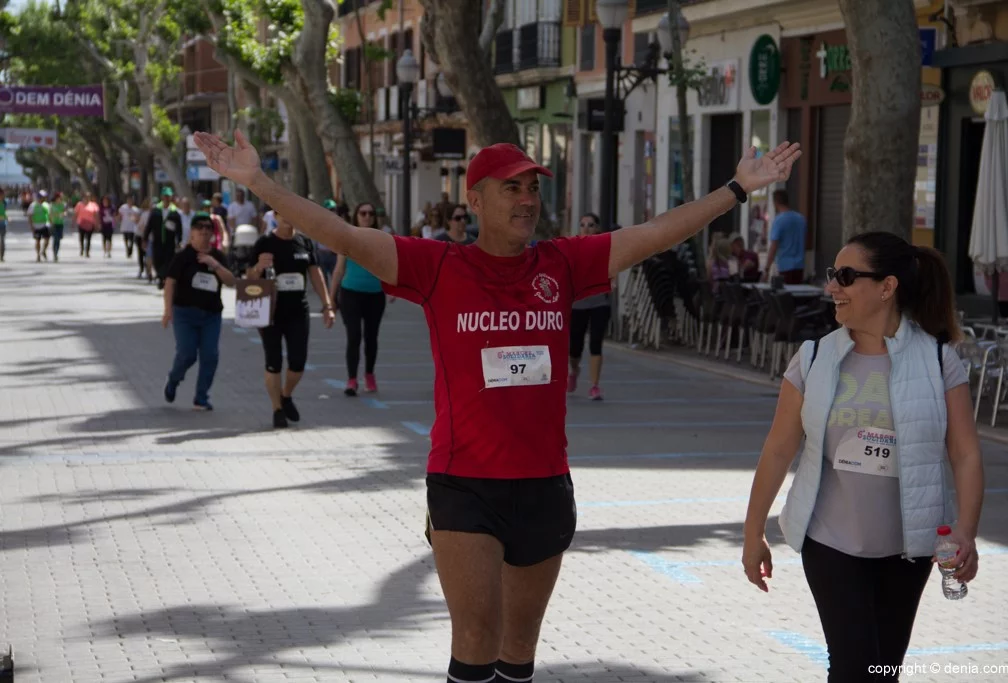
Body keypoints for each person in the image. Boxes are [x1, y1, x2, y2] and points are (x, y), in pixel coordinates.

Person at [193, 129, 800, 683]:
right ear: (475, 201)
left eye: (533, 187)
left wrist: (736, 190)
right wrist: (259, 183)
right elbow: (342, 235)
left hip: (543, 484)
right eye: (512, 187)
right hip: (464, 484)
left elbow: (653, 235)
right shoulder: (438, 265)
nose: (527, 198)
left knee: (518, 650)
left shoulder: (561, 265)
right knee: (476, 638)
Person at [742, 231, 984, 682]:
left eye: (847, 277)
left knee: (882, 670)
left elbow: (965, 453)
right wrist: (752, 530)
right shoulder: (813, 358)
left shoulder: (937, 361)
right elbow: (778, 448)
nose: (832, 286)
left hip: (909, 549)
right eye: (834, 275)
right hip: (830, 543)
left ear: (886, 287)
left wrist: (966, 532)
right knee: (853, 668)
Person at [247, 210, 335, 428]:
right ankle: (277, 409)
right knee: (273, 361)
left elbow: (315, 274)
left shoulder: (304, 242)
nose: (289, 216)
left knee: (298, 361)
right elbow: (248, 278)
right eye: (283, 212)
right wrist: (259, 266)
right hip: (271, 312)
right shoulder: (265, 242)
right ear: (276, 216)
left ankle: (286, 395)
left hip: (299, 310)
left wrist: (327, 306)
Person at [162, 213, 236, 411]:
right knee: (187, 354)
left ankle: (201, 397)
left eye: (208, 228)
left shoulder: (218, 256)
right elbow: (169, 283)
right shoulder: (183, 257)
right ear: (192, 233)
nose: (204, 231)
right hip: (184, 313)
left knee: (210, 355)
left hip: (211, 315)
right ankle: (173, 380)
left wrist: (215, 265)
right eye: (199, 228)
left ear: (212, 233)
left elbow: (231, 282)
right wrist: (167, 311)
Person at [329, 202, 389, 397]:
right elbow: (338, 270)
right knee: (354, 336)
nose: (367, 216)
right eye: (362, 213)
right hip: (350, 293)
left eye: (371, 213)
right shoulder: (347, 238)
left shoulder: (382, 239)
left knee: (371, 337)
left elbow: (390, 266)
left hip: (375, 295)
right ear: (356, 216)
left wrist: (396, 290)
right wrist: (330, 299)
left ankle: (369, 374)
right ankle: (352, 379)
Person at [568, 213, 611, 400]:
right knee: (575, 348)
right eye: (583, 224)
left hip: (599, 303)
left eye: (591, 225)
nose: (586, 228)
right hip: (577, 305)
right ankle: (574, 370)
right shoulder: (572, 249)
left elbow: (613, 267)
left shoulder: (605, 249)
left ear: (597, 229)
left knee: (596, 344)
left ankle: (594, 386)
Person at [763, 189, 807, 284]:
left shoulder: (779, 221)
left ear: (776, 202)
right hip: (800, 266)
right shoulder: (801, 219)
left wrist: (766, 269)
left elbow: (774, 246)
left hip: (785, 265)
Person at [145, 187, 184, 289]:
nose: (166, 198)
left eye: (168, 196)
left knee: (168, 261)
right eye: (165, 196)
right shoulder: (156, 210)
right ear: (162, 197)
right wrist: (145, 238)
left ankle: (164, 278)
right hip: (157, 241)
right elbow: (149, 225)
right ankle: (160, 275)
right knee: (157, 260)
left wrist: (179, 240)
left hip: (169, 242)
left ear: (171, 197)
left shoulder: (175, 212)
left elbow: (179, 228)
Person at [27, 190, 51, 262]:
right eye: (42, 197)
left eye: (44, 197)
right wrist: (31, 226)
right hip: (36, 226)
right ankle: (38, 255)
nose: (44, 198)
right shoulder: (33, 205)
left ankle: (43, 251)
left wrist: (51, 223)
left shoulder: (46, 205)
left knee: (47, 240)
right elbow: (30, 216)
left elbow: (49, 215)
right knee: (38, 241)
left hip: (45, 225)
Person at [74, 192, 99, 257]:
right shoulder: (79, 204)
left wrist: (97, 224)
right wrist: (73, 222)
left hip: (90, 224)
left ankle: (87, 251)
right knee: (81, 237)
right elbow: (76, 214)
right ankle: (82, 248)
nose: (87, 198)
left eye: (88, 197)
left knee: (89, 238)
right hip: (81, 223)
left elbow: (96, 215)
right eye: (86, 197)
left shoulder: (93, 205)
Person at [49, 191, 68, 262]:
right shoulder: (52, 205)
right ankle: (55, 253)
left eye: (60, 198)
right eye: (59, 198)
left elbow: (65, 212)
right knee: (55, 238)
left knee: (59, 239)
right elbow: (50, 214)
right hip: (54, 224)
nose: (60, 199)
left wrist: (64, 214)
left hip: (60, 224)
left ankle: (57, 252)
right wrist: (51, 223)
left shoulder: (62, 204)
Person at [0, 187, 6, 262]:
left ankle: (1, 256)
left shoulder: (4, 203)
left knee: (2, 241)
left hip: (3, 224)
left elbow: (4, 213)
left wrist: (7, 217)